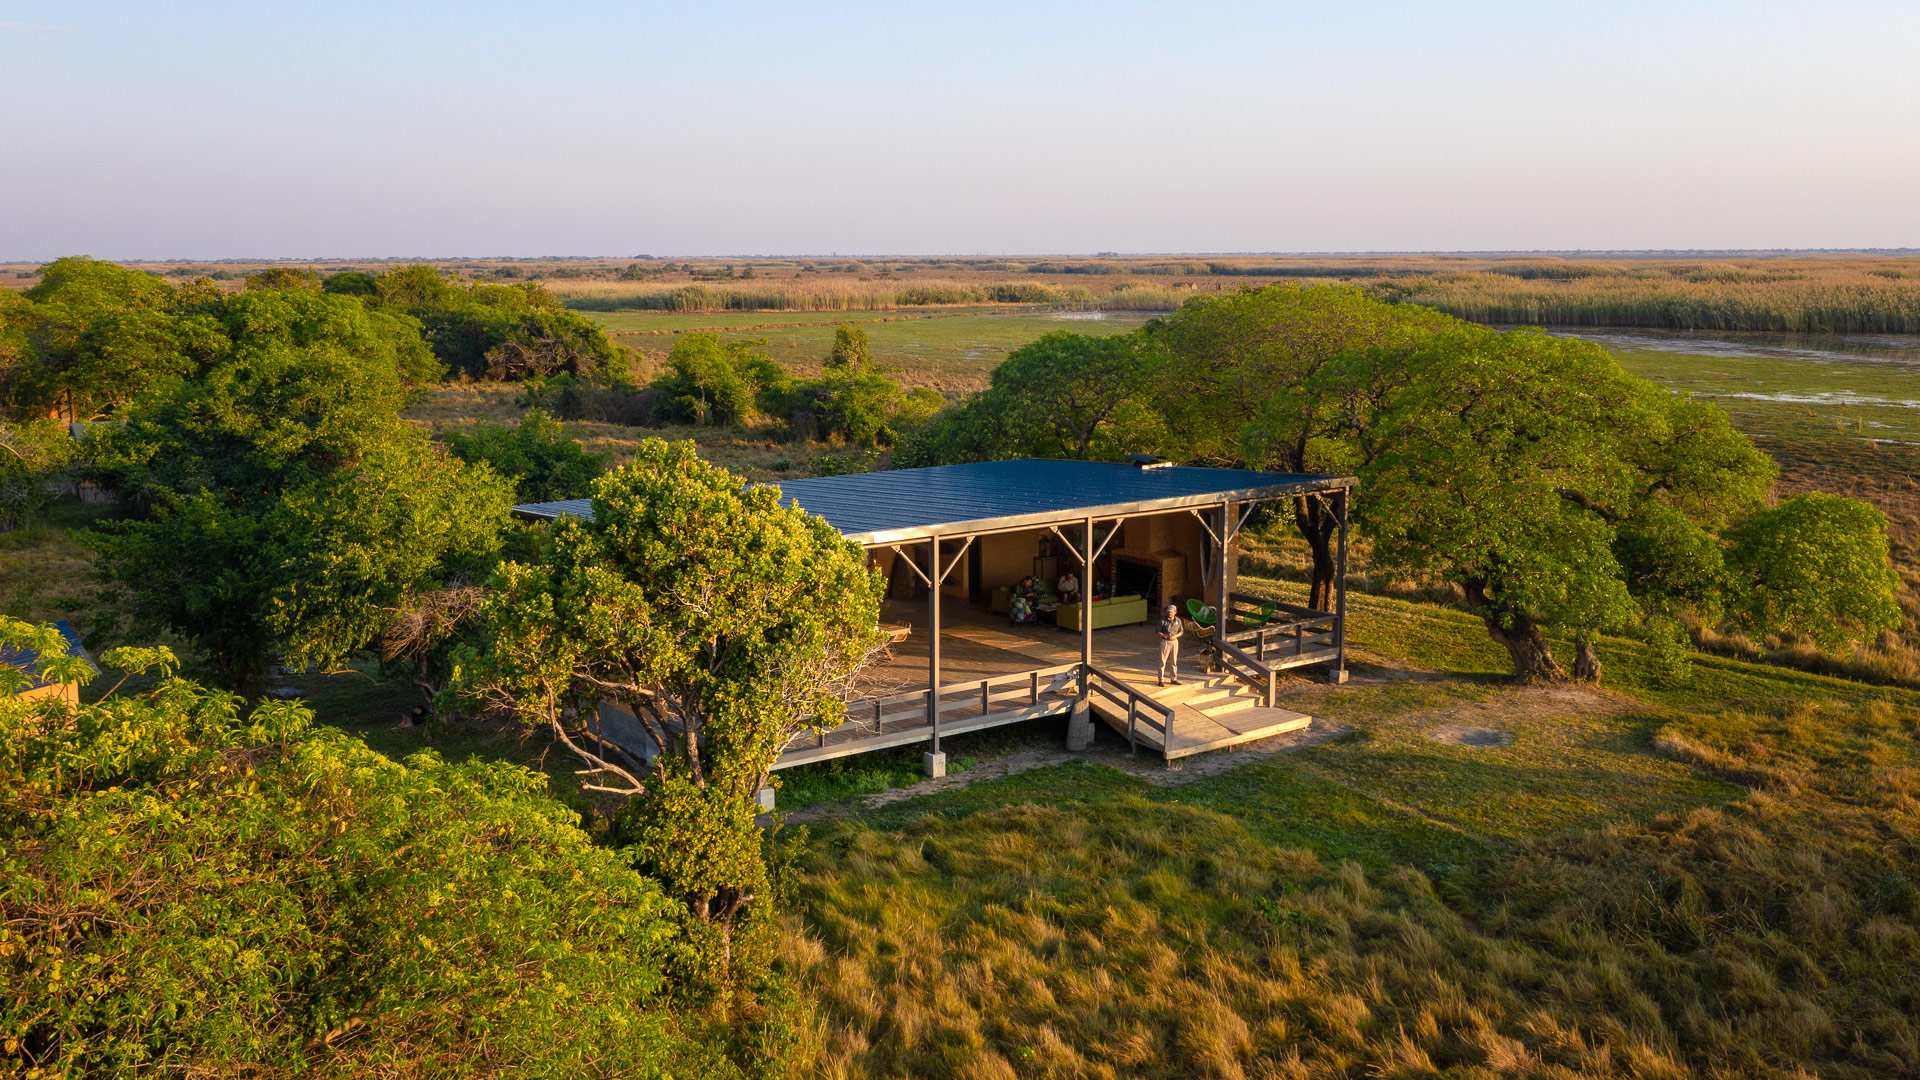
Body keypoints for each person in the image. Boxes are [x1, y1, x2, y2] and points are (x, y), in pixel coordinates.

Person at [1156, 603, 1183, 686]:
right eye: (1168, 611)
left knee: (1174, 661)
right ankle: (1161, 680)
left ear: (1175, 612)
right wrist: (1165, 636)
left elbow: (1181, 631)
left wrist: (1176, 636)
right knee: (1162, 661)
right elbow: (1157, 632)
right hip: (1165, 642)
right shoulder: (1163, 620)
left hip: (1174, 642)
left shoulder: (1178, 620)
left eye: (1171, 612)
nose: (1169, 613)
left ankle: (1173, 678)